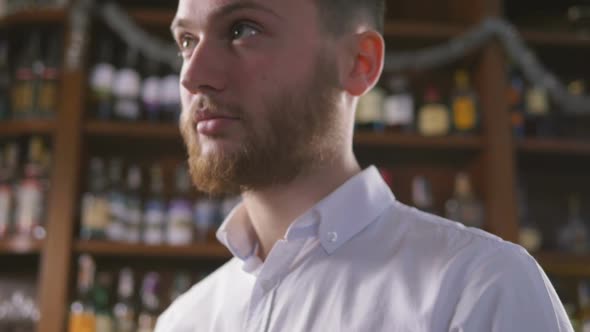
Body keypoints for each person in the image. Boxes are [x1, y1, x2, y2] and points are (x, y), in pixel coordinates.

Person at [157, 0, 573, 331]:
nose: (193, 75)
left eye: (242, 30)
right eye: (187, 41)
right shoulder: (182, 321)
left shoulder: (481, 289)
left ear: (359, 62)